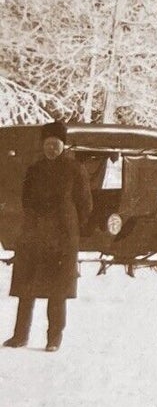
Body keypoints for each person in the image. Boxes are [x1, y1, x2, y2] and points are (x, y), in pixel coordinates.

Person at [5, 121, 93, 353]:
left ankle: (54, 338)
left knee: (57, 292)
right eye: (47, 144)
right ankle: (19, 335)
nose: (51, 149)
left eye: (55, 144)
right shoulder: (34, 169)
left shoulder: (75, 169)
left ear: (63, 145)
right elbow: (26, 201)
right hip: (34, 237)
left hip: (62, 240)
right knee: (27, 289)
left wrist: (71, 227)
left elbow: (85, 204)